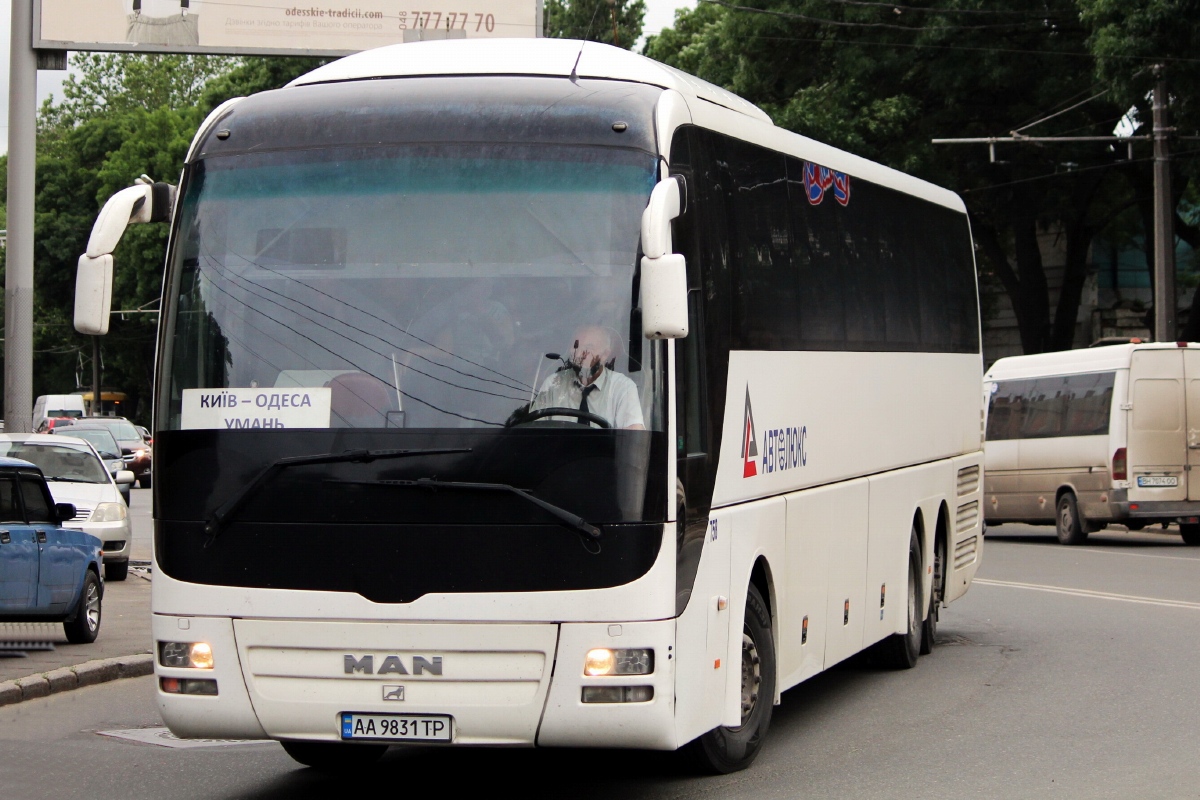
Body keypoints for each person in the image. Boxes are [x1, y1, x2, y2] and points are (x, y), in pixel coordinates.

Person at [530, 326, 644, 429]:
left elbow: (633, 437)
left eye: (588, 348)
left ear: (605, 355)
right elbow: (534, 433)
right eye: (576, 346)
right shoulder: (553, 384)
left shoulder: (623, 387)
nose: (579, 354)